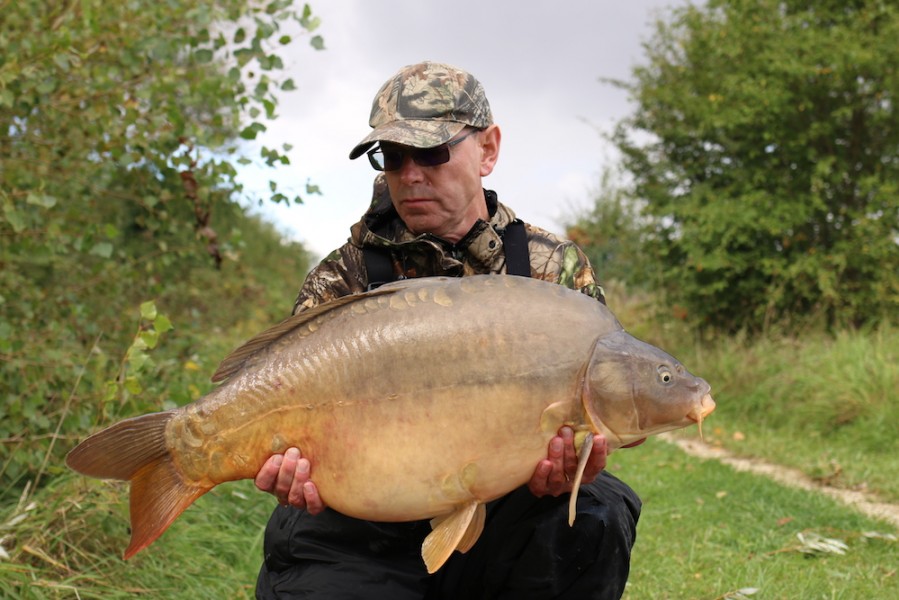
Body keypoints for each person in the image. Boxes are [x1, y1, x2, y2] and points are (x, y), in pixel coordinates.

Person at [253, 61, 643, 600]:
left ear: (487, 149)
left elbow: (601, 404)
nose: (411, 173)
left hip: (502, 507)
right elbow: (285, 414)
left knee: (597, 513)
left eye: (433, 152)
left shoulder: (551, 269)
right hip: (365, 523)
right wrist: (290, 473)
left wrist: (567, 467)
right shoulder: (343, 275)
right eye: (392, 156)